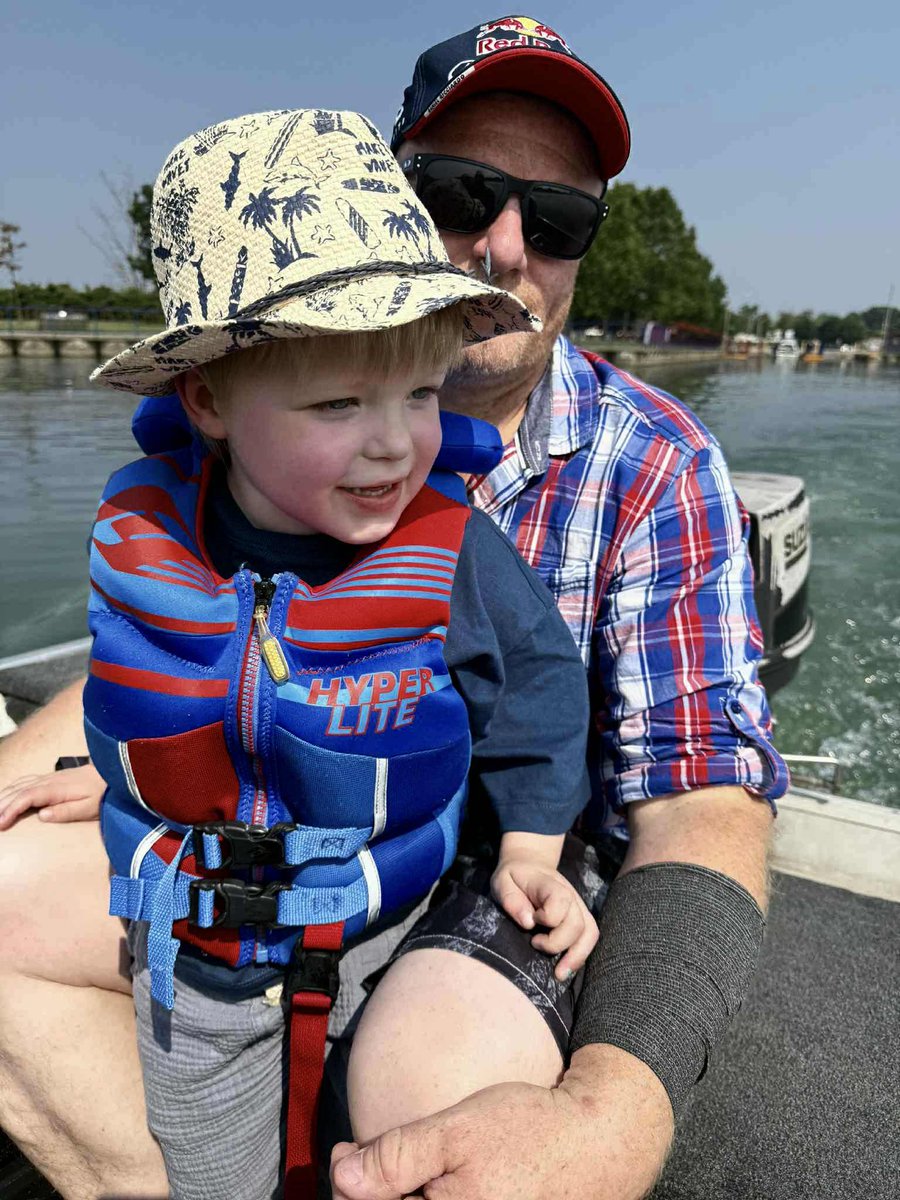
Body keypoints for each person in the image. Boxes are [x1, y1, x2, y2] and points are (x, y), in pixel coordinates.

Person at [0, 17, 787, 1200]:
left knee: (435, 1096)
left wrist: (619, 1109)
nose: (506, 244)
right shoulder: (216, 473)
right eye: (461, 190)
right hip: (275, 836)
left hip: (495, 864)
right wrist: (111, 767)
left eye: (558, 216)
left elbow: (702, 796)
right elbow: (187, 629)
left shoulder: (661, 470)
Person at [81, 105, 604, 1199]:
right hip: (195, 959)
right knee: (215, 1179)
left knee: (381, 1143)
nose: (392, 441)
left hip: (385, 923)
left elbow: (545, 681)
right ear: (209, 396)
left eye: (420, 393)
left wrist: (533, 847)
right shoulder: (145, 533)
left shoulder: (449, 549)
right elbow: (145, 685)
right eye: (337, 401)